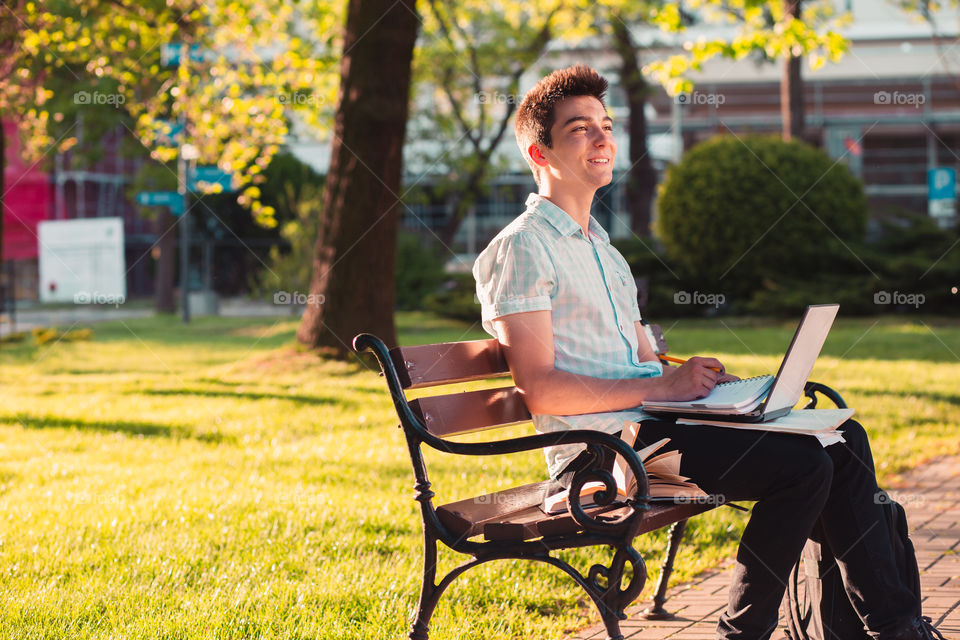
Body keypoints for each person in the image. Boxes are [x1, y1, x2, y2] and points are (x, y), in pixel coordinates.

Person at [472, 64, 927, 640]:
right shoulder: (523, 248)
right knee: (804, 467)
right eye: (579, 128)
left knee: (844, 443)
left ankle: (889, 627)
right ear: (540, 155)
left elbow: (641, 361)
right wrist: (659, 387)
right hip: (603, 452)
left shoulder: (604, 250)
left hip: (654, 425)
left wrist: (709, 385)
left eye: (605, 125)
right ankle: (757, 630)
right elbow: (539, 387)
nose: (601, 137)